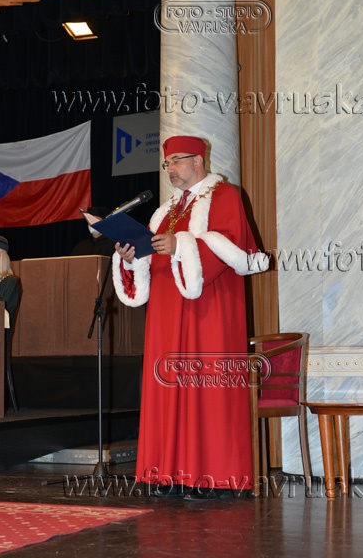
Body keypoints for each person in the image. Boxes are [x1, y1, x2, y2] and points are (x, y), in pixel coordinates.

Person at [112, 135, 269, 500]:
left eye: (177, 161)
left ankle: (215, 477)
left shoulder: (225, 196)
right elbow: (153, 257)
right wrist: (131, 256)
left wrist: (182, 244)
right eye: (167, 163)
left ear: (198, 161)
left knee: (207, 387)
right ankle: (169, 473)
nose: (170, 169)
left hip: (209, 308)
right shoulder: (165, 211)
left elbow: (236, 249)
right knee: (168, 387)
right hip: (166, 312)